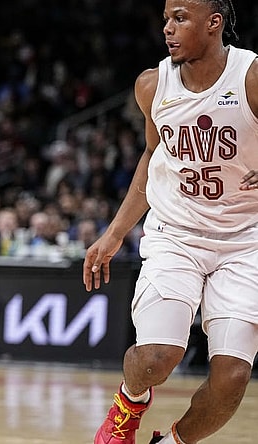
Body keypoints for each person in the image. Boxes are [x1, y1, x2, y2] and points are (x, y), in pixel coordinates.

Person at [83, 1, 258, 443]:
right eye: (166, 18)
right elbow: (150, 155)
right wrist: (114, 232)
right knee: (156, 357)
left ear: (214, 23)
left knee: (232, 375)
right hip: (175, 233)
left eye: (180, 18)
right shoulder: (152, 85)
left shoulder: (252, 78)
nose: (167, 28)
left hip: (246, 239)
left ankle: (173, 442)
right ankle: (129, 404)